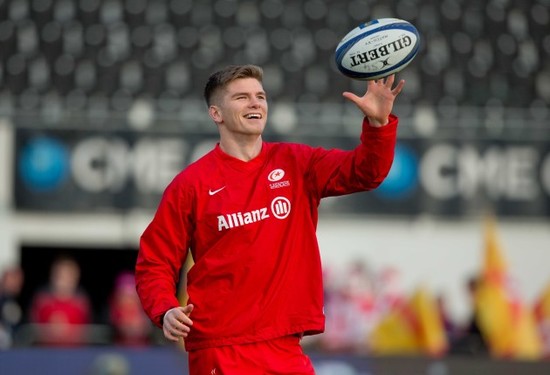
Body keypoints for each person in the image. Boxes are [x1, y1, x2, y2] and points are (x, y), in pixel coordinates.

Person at [135, 64, 404, 374]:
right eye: (241, 97)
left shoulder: (298, 162)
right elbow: (154, 261)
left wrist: (378, 123)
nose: (255, 103)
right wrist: (165, 308)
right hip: (221, 348)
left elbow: (366, 172)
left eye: (260, 96)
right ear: (216, 114)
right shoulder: (190, 185)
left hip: (285, 346)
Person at [29, 255, 92, 346]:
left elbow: (88, 332)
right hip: (45, 352)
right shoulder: (42, 300)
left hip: (75, 353)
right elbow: (32, 329)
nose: (63, 280)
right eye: (60, 275)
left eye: (68, 275)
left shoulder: (81, 302)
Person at [0, 266, 25, 349]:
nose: (17, 282)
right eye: (13, 278)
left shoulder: (16, 302)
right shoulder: (2, 300)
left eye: (19, 279)